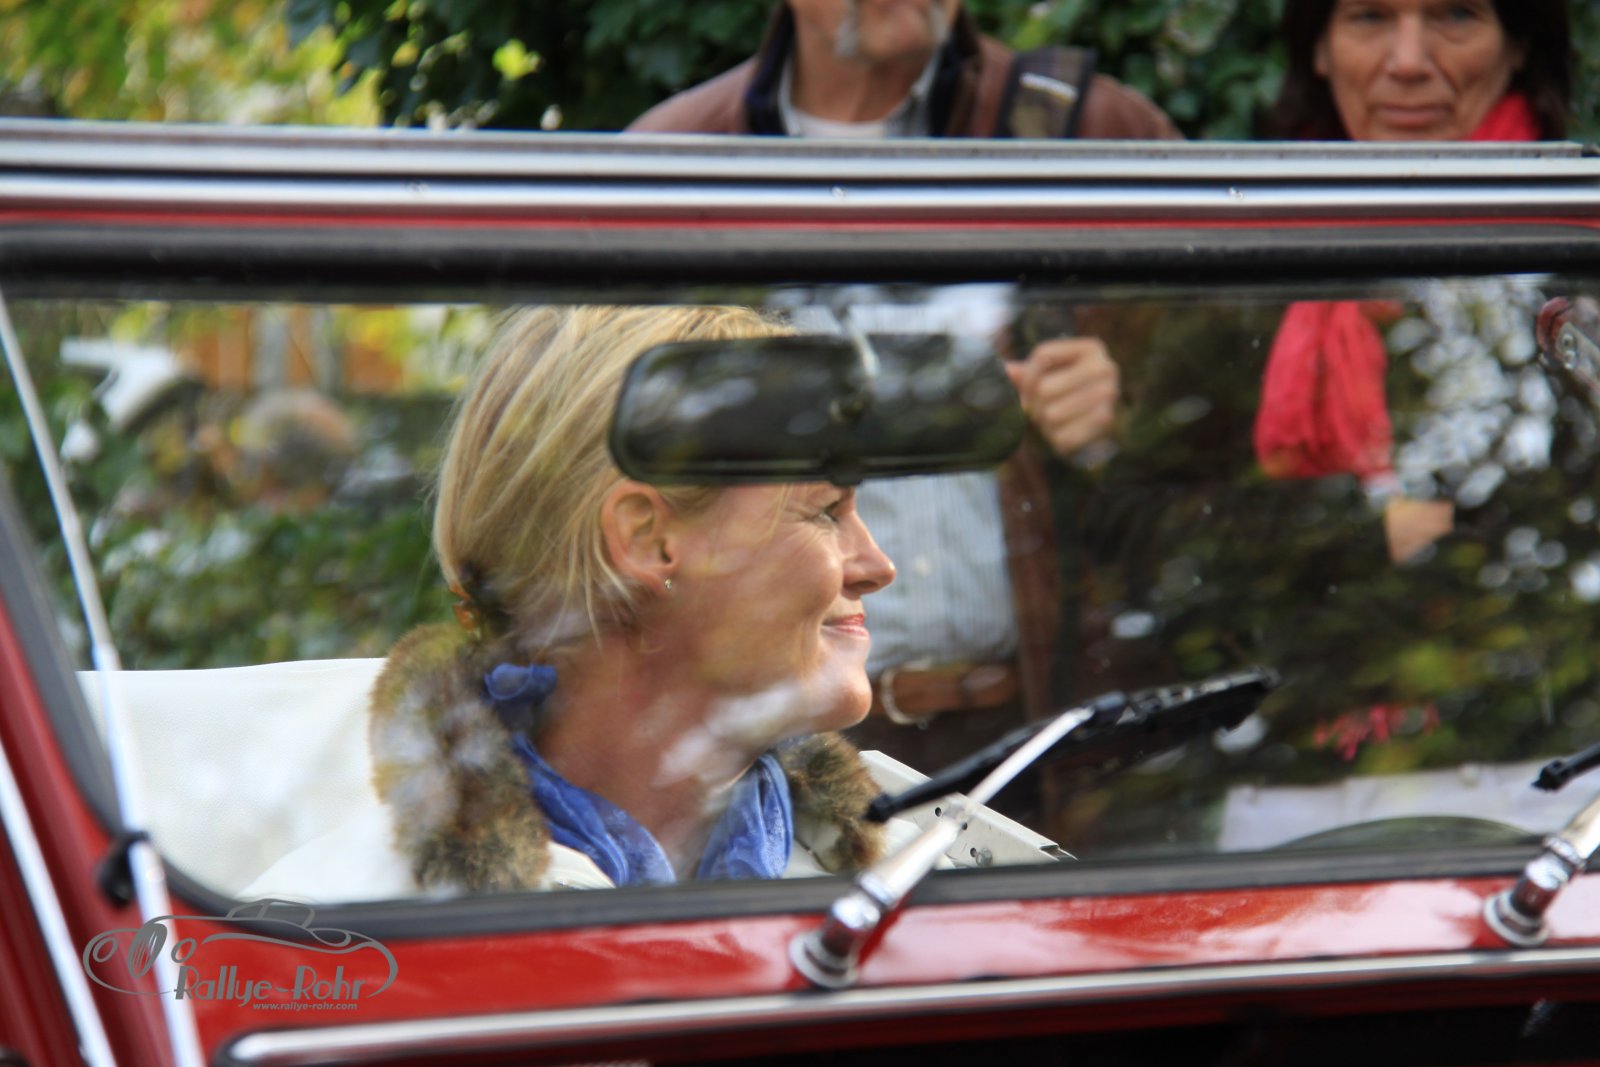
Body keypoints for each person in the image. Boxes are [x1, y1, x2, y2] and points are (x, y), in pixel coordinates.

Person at [628, 1, 1179, 801]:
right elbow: (602, 485)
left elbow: (1250, 457)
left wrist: (1131, 423)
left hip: (1050, 747)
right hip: (772, 757)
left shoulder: (1089, 130)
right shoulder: (673, 162)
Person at [250, 305, 919, 896]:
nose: (877, 566)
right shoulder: (336, 932)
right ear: (648, 539)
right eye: (826, 511)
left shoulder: (928, 871)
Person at [1257, 0, 1571, 562]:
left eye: (1456, 15)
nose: (1407, 62)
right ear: (1320, 48)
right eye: (1370, 17)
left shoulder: (1574, 257)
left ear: (1519, 45)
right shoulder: (1232, 244)